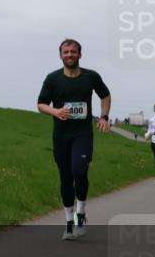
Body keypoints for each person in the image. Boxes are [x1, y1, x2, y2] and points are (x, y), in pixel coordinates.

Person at [37, 38, 111, 241]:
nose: (69, 55)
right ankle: (69, 222)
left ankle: (81, 213)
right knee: (65, 179)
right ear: (60, 55)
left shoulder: (91, 77)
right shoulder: (52, 79)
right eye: (66, 52)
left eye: (73, 52)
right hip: (61, 136)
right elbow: (41, 104)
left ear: (80, 54)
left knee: (79, 170)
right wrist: (55, 111)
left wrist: (104, 117)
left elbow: (105, 95)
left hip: (82, 134)